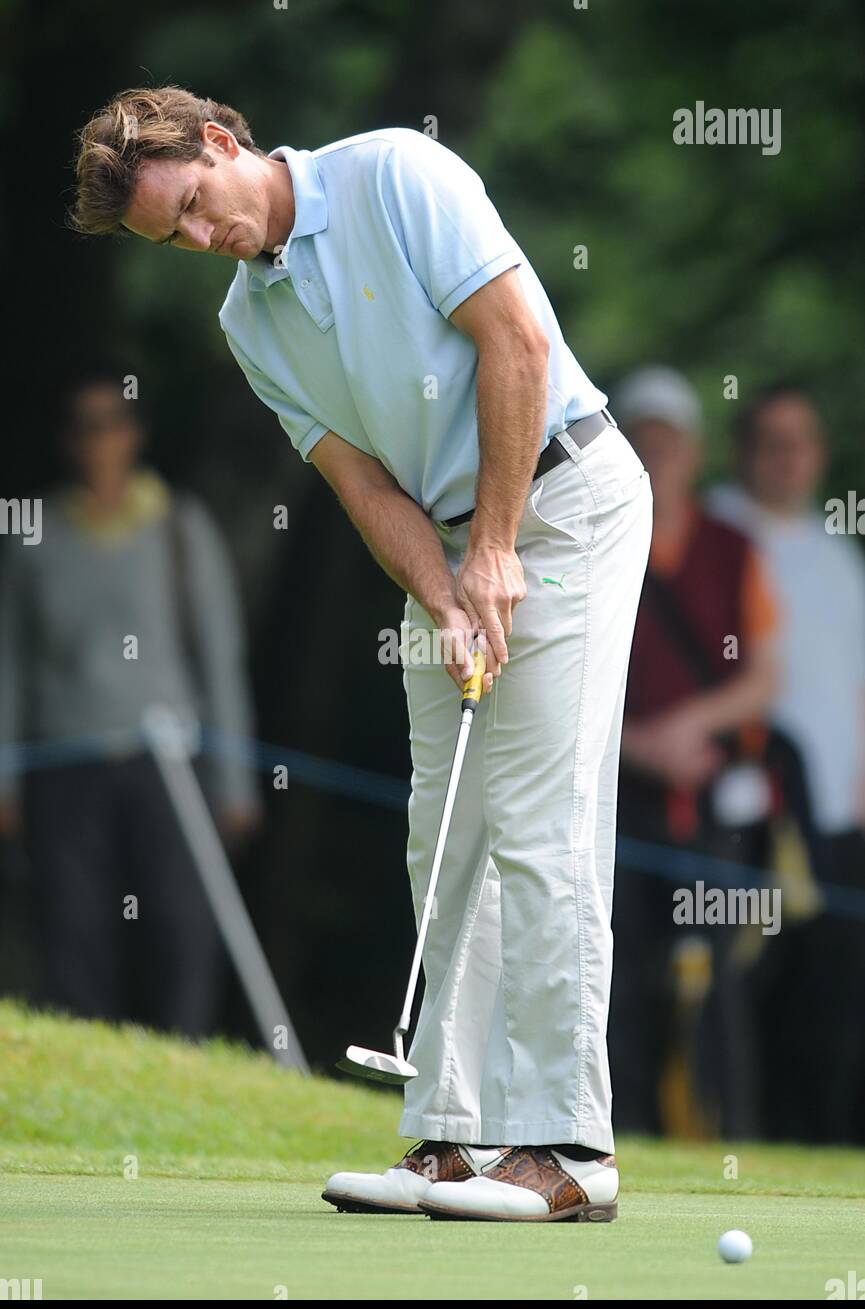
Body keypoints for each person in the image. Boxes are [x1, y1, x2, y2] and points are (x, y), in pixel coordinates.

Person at [72, 86, 653, 1223]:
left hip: (566, 499)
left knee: (540, 819)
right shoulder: (248, 321)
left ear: (223, 144)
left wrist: (492, 548)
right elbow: (359, 483)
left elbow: (517, 342)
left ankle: (570, 1148)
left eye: (194, 206)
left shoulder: (396, 173)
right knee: (442, 831)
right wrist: (446, 591)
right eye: (171, 238)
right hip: (441, 540)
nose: (203, 240)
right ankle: (450, 1137)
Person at [0, 370, 261, 1035]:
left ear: (134, 433)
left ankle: (184, 1053)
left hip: (171, 762)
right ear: (66, 438)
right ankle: (82, 1055)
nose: (98, 439)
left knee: (180, 921)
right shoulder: (33, 536)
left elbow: (219, 660)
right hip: (63, 762)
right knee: (73, 924)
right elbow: (10, 664)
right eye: (84, 424)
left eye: (111, 421)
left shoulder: (180, 527)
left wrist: (235, 781)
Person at [608, 368, 778, 1138]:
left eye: (668, 443)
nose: (656, 457)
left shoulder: (733, 548)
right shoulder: (591, 540)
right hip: (616, 794)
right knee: (618, 975)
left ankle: (728, 1133)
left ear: (694, 453)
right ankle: (619, 1134)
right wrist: (637, 747)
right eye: (641, 441)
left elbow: (764, 678)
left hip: (711, 801)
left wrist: (687, 730)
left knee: (722, 983)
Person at [708, 385, 865, 1143]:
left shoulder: (837, 553)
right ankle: (737, 1134)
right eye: (771, 441)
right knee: (742, 985)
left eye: (799, 442)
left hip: (834, 816)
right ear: (744, 450)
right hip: (744, 807)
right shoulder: (718, 532)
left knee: (828, 993)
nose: (786, 457)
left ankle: (821, 1140)